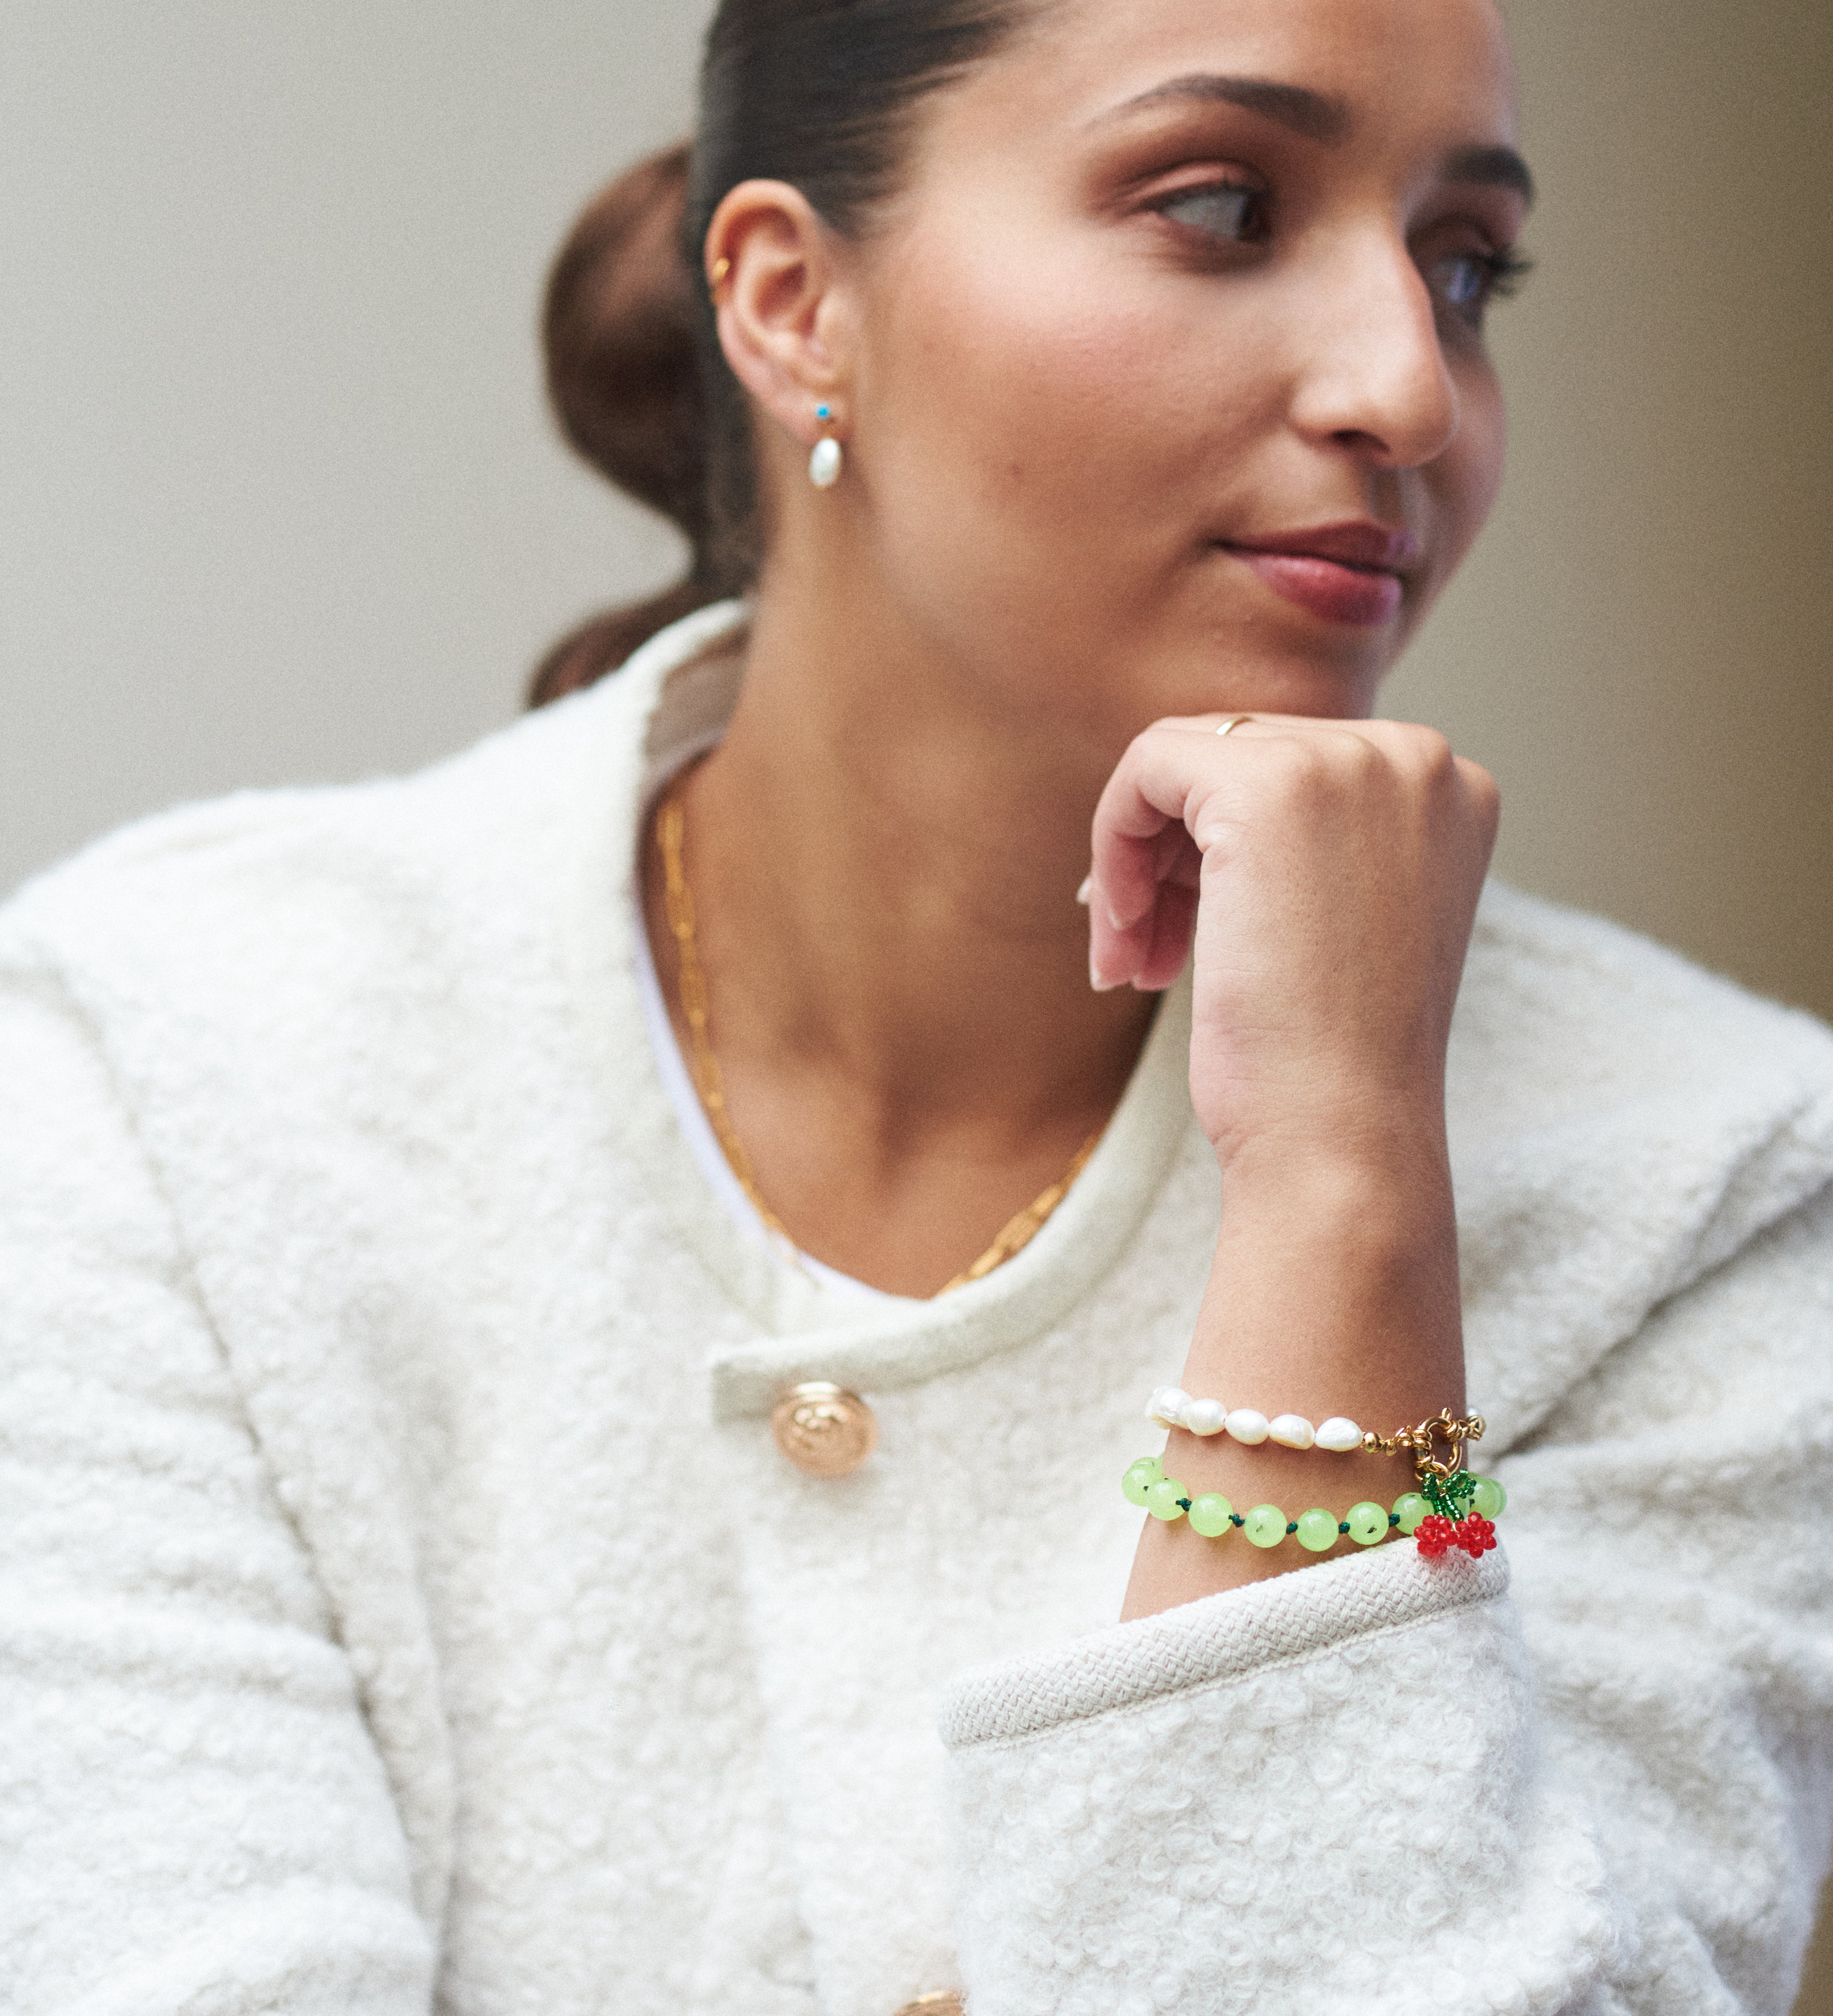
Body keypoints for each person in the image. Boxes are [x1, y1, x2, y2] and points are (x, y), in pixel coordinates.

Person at [3, 0, 1830, 2011]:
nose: (1408, 386)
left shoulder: (1708, 1189)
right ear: (793, 304)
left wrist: (1338, 1190)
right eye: (1221, 206)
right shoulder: (163, 1074)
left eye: (1465, 266)